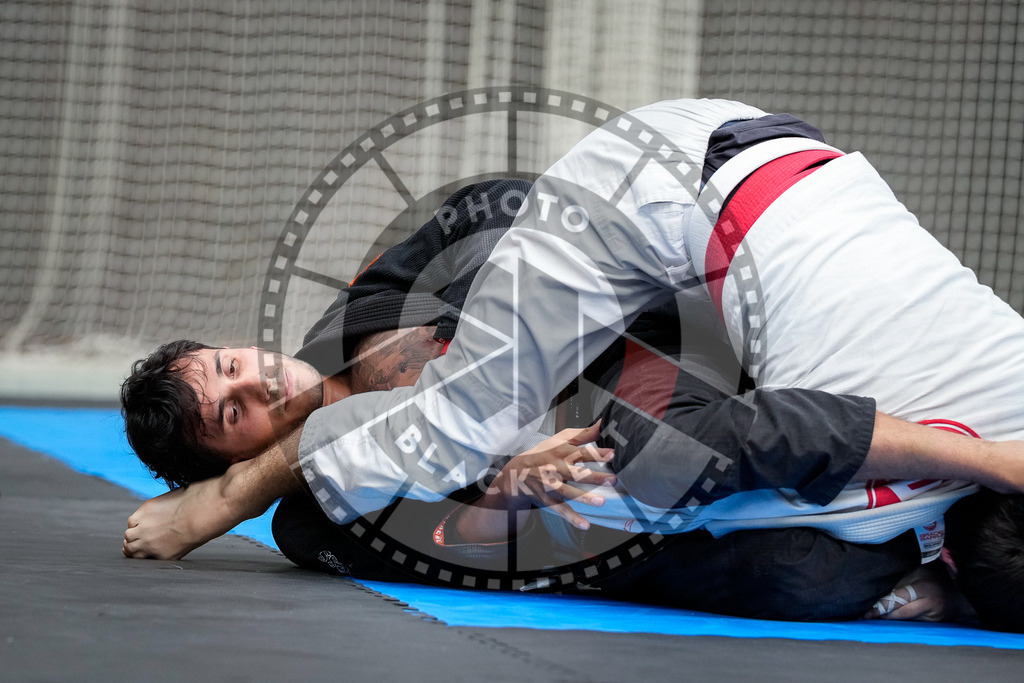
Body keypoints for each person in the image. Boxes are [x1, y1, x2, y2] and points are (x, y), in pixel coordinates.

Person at [123, 179, 1020, 624]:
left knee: (700, 435)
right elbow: (465, 547)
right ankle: (948, 562)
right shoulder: (313, 521)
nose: (258, 379)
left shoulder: (369, 300)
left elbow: (505, 208)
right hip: (608, 501)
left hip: (663, 344)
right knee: (802, 571)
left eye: (232, 362)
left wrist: (490, 354)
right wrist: (503, 485)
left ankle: (971, 479)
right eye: (234, 412)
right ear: (233, 452)